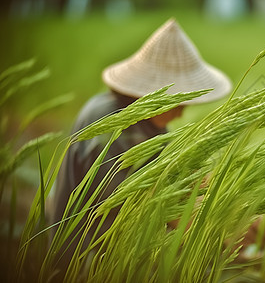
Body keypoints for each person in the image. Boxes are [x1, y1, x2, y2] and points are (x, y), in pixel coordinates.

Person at [50, 18, 232, 278]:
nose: (181, 114)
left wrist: (217, 196)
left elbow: (178, 182)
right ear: (154, 94)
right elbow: (138, 206)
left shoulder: (150, 125)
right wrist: (211, 227)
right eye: (179, 103)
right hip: (84, 266)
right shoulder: (108, 122)